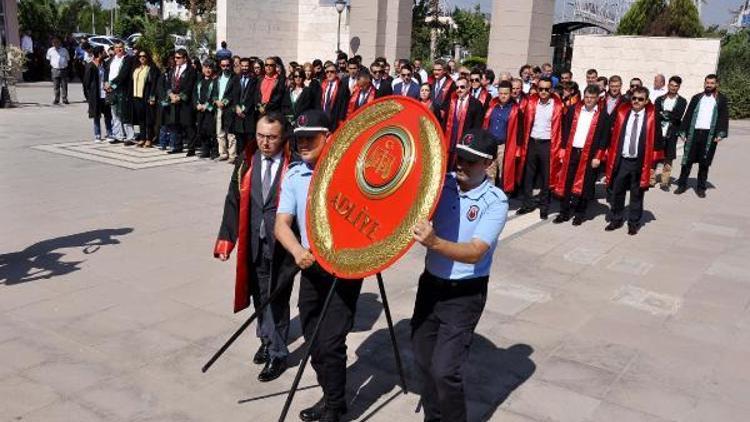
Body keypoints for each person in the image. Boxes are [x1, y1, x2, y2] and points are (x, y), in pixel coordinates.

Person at [411, 129, 508, 422]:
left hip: (464, 293)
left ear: (488, 163)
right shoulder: (442, 185)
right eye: (460, 158)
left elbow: (476, 251)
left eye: (471, 161)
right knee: (423, 359)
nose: (462, 165)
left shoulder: (496, 201)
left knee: (445, 371)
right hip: (430, 285)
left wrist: (435, 243)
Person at [275, 110, 364, 422]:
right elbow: (282, 224)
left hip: (345, 269)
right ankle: (330, 396)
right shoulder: (295, 175)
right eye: (298, 138)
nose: (302, 144)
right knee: (313, 340)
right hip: (310, 265)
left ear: (328, 137)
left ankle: (337, 408)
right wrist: (297, 251)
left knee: (330, 342)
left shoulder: (351, 173)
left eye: (310, 137)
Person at [215, 111, 299, 383]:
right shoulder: (246, 161)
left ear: (283, 136)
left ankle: (278, 353)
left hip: (282, 247)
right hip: (253, 240)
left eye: (272, 137)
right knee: (259, 295)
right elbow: (233, 201)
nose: (265, 142)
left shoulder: (294, 165)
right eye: (261, 135)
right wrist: (226, 239)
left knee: (277, 298)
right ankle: (266, 338)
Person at [598, 86, 661, 235]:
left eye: (640, 99)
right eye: (634, 98)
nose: (636, 101)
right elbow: (610, 133)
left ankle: (633, 222)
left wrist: (653, 164)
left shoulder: (652, 117)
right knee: (617, 191)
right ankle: (616, 219)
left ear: (646, 101)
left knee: (637, 193)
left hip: (640, 162)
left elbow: (658, 140)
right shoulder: (622, 113)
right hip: (622, 160)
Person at [553, 85, 609, 225]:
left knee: (586, 184)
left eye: (592, 98)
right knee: (567, 181)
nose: (589, 100)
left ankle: (580, 213)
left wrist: (598, 156)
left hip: (590, 154)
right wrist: (564, 148)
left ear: (597, 99)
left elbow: (604, 138)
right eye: (587, 97)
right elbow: (565, 130)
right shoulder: (574, 110)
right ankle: (564, 212)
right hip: (572, 151)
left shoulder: (602, 115)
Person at [516, 77, 565, 220]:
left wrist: (561, 148)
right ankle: (527, 204)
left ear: (551, 90)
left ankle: (544, 207)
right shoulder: (530, 102)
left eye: (546, 89)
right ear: (537, 89)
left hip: (548, 144)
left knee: (546, 177)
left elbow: (563, 127)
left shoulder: (557, 106)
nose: (543, 92)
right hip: (531, 142)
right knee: (528, 176)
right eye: (541, 89)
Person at [674, 74, 729, 198]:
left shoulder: (721, 99)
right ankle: (682, 185)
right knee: (686, 161)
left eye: (711, 83)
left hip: (709, 135)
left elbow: (723, 117)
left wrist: (721, 134)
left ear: (716, 84)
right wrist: (683, 131)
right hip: (694, 133)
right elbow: (688, 115)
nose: (709, 85)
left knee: (704, 163)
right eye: (707, 83)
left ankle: (701, 187)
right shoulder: (697, 98)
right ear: (704, 83)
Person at [482, 80, 523, 191]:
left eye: (505, 94)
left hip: (504, 145)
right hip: (490, 145)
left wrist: (518, 148)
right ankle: (488, 193)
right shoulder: (492, 107)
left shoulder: (515, 110)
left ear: (510, 94)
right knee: (489, 171)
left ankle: (501, 195)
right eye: (500, 93)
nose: (503, 96)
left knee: (503, 173)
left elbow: (520, 130)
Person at [653, 75, 687, 190]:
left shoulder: (682, 101)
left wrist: (664, 114)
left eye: (676, 86)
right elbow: (656, 114)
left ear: (679, 87)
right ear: (668, 85)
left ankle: (665, 182)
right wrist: (667, 114)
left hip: (671, 133)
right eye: (671, 85)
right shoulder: (660, 99)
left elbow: (678, 116)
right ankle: (651, 180)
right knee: (655, 157)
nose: (673, 87)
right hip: (658, 132)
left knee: (668, 158)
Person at [444, 77, 484, 168]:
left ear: (468, 87)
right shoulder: (451, 102)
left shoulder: (476, 104)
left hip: (465, 143)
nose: (459, 90)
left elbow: (477, 127)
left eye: (462, 87)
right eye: (457, 87)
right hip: (450, 142)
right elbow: (445, 122)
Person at [164, 48, 197, 156]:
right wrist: (170, 94)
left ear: (185, 58)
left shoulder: (190, 70)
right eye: (175, 57)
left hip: (185, 102)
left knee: (188, 125)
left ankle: (191, 148)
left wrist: (180, 97)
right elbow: (168, 83)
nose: (176, 59)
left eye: (178, 58)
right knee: (175, 124)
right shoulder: (173, 69)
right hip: (173, 100)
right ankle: (177, 146)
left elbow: (190, 86)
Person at [104, 42, 134, 143]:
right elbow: (106, 72)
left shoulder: (128, 59)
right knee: (114, 113)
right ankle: (118, 135)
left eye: (120, 47)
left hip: (123, 89)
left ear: (124, 48)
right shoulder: (111, 59)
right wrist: (106, 83)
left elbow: (123, 75)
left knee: (124, 113)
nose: (119, 49)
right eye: (116, 47)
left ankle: (129, 137)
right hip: (111, 90)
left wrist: (112, 85)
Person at [82, 46, 113, 143]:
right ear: (99, 54)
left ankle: (109, 133)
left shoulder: (104, 64)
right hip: (95, 95)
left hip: (105, 94)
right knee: (96, 115)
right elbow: (86, 83)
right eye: (103, 52)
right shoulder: (90, 66)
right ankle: (97, 134)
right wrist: (88, 97)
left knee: (108, 115)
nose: (105, 53)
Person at [130, 50, 159, 148]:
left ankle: (149, 139)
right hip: (136, 97)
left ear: (148, 57)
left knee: (149, 119)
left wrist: (152, 97)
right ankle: (142, 138)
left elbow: (154, 84)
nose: (142, 58)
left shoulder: (151, 68)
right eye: (140, 56)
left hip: (146, 97)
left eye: (144, 56)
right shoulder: (136, 68)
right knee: (140, 119)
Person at [232, 57, 258, 158]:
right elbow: (234, 95)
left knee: (249, 138)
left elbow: (253, 96)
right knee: (239, 138)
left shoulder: (254, 79)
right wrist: (237, 108)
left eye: (246, 66)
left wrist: (245, 109)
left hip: (249, 114)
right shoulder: (236, 78)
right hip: (238, 113)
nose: (244, 68)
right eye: (242, 66)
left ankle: (249, 158)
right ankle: (240, 158)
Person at [193, 59, 219, 159]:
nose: (208, 69)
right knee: (202, 130)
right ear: (203, 68)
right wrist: (197, 104)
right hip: (200, 110)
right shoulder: (199, 81)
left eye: (210, 67)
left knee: (211, 131)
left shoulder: (215, 81)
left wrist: (207, 106)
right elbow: (194, 94)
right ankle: (205, 150)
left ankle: (214, 151)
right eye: (206, 67)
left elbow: (215, 95)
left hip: (210, 111)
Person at [215, 57, 238, 162]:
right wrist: (216, 101)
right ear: (220, 66)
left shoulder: (235, 78)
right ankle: (223, 153)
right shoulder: (218, 77)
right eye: (223, 66)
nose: (225, 68)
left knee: (231, 133)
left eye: (227, 65)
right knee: (220, 132)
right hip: (218, 107)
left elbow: (235, 93)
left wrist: (224, 102)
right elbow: (214, 92)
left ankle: (232, 155)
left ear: (231, 65)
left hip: (229, 108)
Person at [320, 62, 349, 130]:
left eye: (332, 72)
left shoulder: (342, 86)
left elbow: (344, 106)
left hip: (335, 121)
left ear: (336, 73)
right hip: (323, 120)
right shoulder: (323, 85)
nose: (329, 74)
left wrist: (341, 121)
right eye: (327, 72)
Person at [430, 59, 456, 125]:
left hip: (444, 120)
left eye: (439, 70)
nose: (436, 72)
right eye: (435, 70)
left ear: (444, 71)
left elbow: (453, 102)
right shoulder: (431, 83)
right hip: (431, 118)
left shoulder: (451, 85)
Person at [46, 37, 70, 105]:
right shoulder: (50, 50)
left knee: (64, 85)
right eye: (54, 43)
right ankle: (56, 99)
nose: (56, 44)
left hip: (63, 69)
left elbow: (68, 59)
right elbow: (48, 59)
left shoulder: (64, 50)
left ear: (60, 43)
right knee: (56, 85)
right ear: (52, 43)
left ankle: (64, 98)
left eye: (57, 42)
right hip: (55, 69)